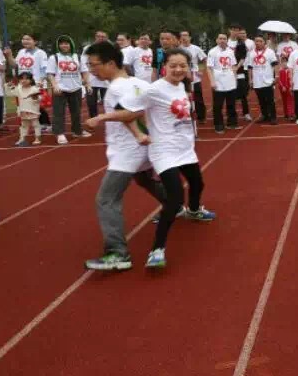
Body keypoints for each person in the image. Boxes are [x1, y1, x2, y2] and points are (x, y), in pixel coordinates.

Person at [80, 41, 168, 271]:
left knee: (106, 199)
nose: (91, 70)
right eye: (89, 65)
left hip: (127, 151)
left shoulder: (117, 88)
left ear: (111, 63)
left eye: (94, 65)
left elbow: (131, 113)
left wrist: (100, 118)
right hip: (143, 146)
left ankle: (117, 253)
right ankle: (173, 204)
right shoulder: (138, 82)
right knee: (144, 179)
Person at [144, 49, 217, 269]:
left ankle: (193, 210)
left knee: (198, 184)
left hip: (184, 149)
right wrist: (139, 132)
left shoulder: (181, 86)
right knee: (175, 199)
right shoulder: (154, 89)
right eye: (173, 65)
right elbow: (128, 108)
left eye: (182, 65)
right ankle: (157, 249)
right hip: (164, 150)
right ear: (164, 66)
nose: (178, 69)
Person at [48, 35, 91, 145]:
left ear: (71, 44)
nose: (64, 45)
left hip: (76, 88)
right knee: (58, 112)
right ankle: (59, 133)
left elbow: (85, 72)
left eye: (66, 43)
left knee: (76, 112)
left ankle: (77, 130)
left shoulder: (78, 57)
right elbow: (50, 74)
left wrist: (88, 84)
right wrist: (55, 85)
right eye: (61, 43)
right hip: (60, 89)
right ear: (58, 45)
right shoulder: (54, 57)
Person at [7, 34, 52, 131]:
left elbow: (45, 68)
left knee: (36, 104)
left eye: (28, 39)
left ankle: (45, 123)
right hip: (23, 83)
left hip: (36, 83)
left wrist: (41, 80)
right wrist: (9, 55)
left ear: (35, 41)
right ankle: (36, 123)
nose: (25, 41)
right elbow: (14, 65)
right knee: (27, 104)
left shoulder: (40, 53)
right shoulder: (21, 52)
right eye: (23, 39)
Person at [207, 33, 239, 133]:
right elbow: (209, 68)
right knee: (218, 105)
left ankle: (232, 122)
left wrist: (235, 79)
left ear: (227, 40)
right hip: (218, 82)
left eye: (224, 39)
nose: (222, 40)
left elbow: (233, 66)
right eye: (220, 38)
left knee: (231, 104)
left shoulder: (230, 51)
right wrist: (212, 81)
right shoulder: (212, 52)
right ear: (217, 40)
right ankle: (218, 125)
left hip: (230, 80)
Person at [246, 35, 279, 124]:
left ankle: (273, 117)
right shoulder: (251, 53)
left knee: (270, 100)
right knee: (261, 100)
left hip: (268, 80)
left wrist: (276, 76)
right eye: (256, 41)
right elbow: (250, 67)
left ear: (264, 42)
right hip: (257, 81)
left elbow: (275, 65)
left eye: (260, 41)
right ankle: (265, 115)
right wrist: (250, 80)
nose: (258, 43)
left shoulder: (270, 52)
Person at [179, 30, 208, 123]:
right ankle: (186, 115)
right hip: (182, 77)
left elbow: (205, 59)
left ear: (190, 37)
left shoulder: (196, 48)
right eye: (182, 35)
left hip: (195, 77)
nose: (184, 37)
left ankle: (201, 117)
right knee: (184, 97)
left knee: (198, 97)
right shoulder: (178, 49)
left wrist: (201, 70)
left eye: (186, 35)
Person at [80, 31, 110, 118]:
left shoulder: (110, 48)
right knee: (91, 103)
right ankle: (93, 118)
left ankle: (109, 119)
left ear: (106, 38)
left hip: (106, 79)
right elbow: (83, 62)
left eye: (103, 37)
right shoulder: (88, 48)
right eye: (99, 36)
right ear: (95, 37)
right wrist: (88, 74)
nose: (101, 38)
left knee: (108, 102)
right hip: (91, 79)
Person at [13, 72, 43, 146]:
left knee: (35, 124)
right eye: (22, 79)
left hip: (33, 110)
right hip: (23, 110)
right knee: (23, 125)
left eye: (26, 79)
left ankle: (38, 138)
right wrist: (10, 86)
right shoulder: (19, 89)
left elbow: (39, 98)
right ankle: (22, 139)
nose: (24, 80)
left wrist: (36, 98)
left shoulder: (34, 89)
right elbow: (11, 93)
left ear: (31, 80)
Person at [233, 28, 253, 122]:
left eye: (243, 33)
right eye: (240, 33)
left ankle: (246, 113)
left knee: (244, 92)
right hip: (232, 70)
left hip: (245, 68)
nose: (242, 34)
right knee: (232, 92)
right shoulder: (230, 42)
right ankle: (232, 113)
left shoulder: (249, 43)